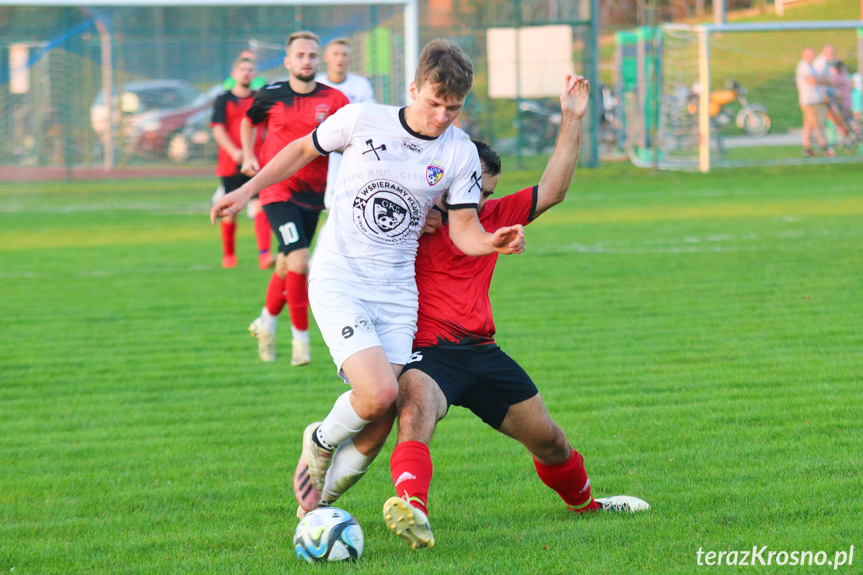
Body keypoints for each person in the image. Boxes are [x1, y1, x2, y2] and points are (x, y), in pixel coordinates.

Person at [210, 38, 525, 517]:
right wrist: (247, 190)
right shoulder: (362, 118)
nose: (442, 117)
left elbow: (464, 231)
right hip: (341, 277)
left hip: (397, 293)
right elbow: (300, 151)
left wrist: (492, 242)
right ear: (414, 87)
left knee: (381, 419)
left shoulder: (460, 152)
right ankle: (318, 439)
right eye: (434, 103)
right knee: (377, 392)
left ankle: (316, 510)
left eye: (454, 108)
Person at [379, 75, 650, 551]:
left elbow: (553, 190)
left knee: (551, 443)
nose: (480, 201)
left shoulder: (491, 216)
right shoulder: (406, 212)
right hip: (428, 352)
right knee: (415, 411)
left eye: (487, 193)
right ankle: (412, 509)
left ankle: (587, 505)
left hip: (482, 353)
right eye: (474, 189)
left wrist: (571, 118)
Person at [239, 31, 350, 365]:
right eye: (300, 55)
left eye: (312, 56)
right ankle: (300, 342)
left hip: (313, 195)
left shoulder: (335, 100)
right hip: (276, 190)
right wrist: (247, 156)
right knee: (301, 261)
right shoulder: (271, 94)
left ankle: (266, 323)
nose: (307, 61)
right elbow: (248, 122)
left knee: (288, 262)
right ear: (288, 61)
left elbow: (350, 137)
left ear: (320, 60)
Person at [210, 56, 271, 269]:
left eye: (250, 69)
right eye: (242, 69)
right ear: (234, 74)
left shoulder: (261, 98)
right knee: (230, 209)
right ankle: (229, 255)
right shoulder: (223, 99)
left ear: (255, 75)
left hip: (256, 161)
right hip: (230, 162)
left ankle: (264, 254)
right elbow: (217, 128)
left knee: (259, 204)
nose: (246, 73)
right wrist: (234, 151)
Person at [315, 38, 376, 210]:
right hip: (325, 151)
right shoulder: (318, 85)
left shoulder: (361, 85)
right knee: (332, 204)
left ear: (350, 57)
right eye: (336, 54)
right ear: (326, 57)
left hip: (354, 148)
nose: (340, 59)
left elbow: (370, 116)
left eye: (344, 55)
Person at [795, 47, 831, 157]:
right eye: (811, 55)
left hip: (815, 101)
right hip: (809, 102)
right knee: (817, 125)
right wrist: (821, 79)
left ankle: (807, 148)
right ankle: (825, 148)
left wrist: (819, 79)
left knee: (809, 125)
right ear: (804, 55)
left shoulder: (810, 67)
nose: (813, 57)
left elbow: (818, 79)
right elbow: (813, 81)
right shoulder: (803, 67)